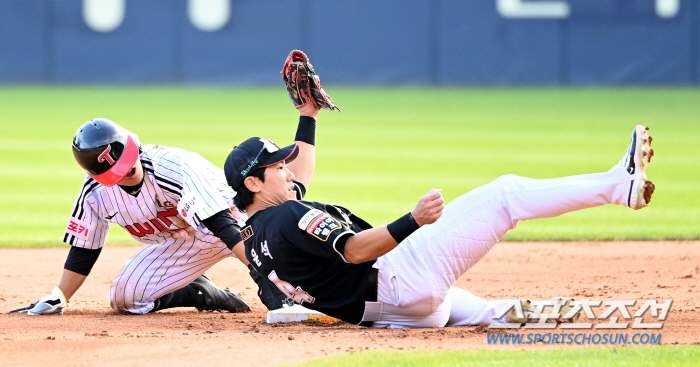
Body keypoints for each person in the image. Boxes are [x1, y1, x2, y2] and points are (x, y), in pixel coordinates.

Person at [223, 121, 655, 328]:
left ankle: (583, 317)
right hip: (402, 278)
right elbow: (353, 250)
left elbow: (297, 290)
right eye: (277, 166)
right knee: (505, 194)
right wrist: (413, 220)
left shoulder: (253, 240)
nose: (288, 170)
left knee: (488, 313)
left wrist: (308, 114)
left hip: (397, 316)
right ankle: (620, 186)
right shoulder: (287, 215)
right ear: (254, 182)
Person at [9, 110, 317, 315]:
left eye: (130, 159)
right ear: (99, 175)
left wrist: (264, 274)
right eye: (119, 170)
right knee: (124, 298)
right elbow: (84, 251)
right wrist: (60, 296)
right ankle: (201, 292)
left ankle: (286, 282)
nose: (129, 169)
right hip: (187, 240)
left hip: (237, 217)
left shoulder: (174, 166)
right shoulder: (95, 194)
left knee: (256, 226)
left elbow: (223, 226)